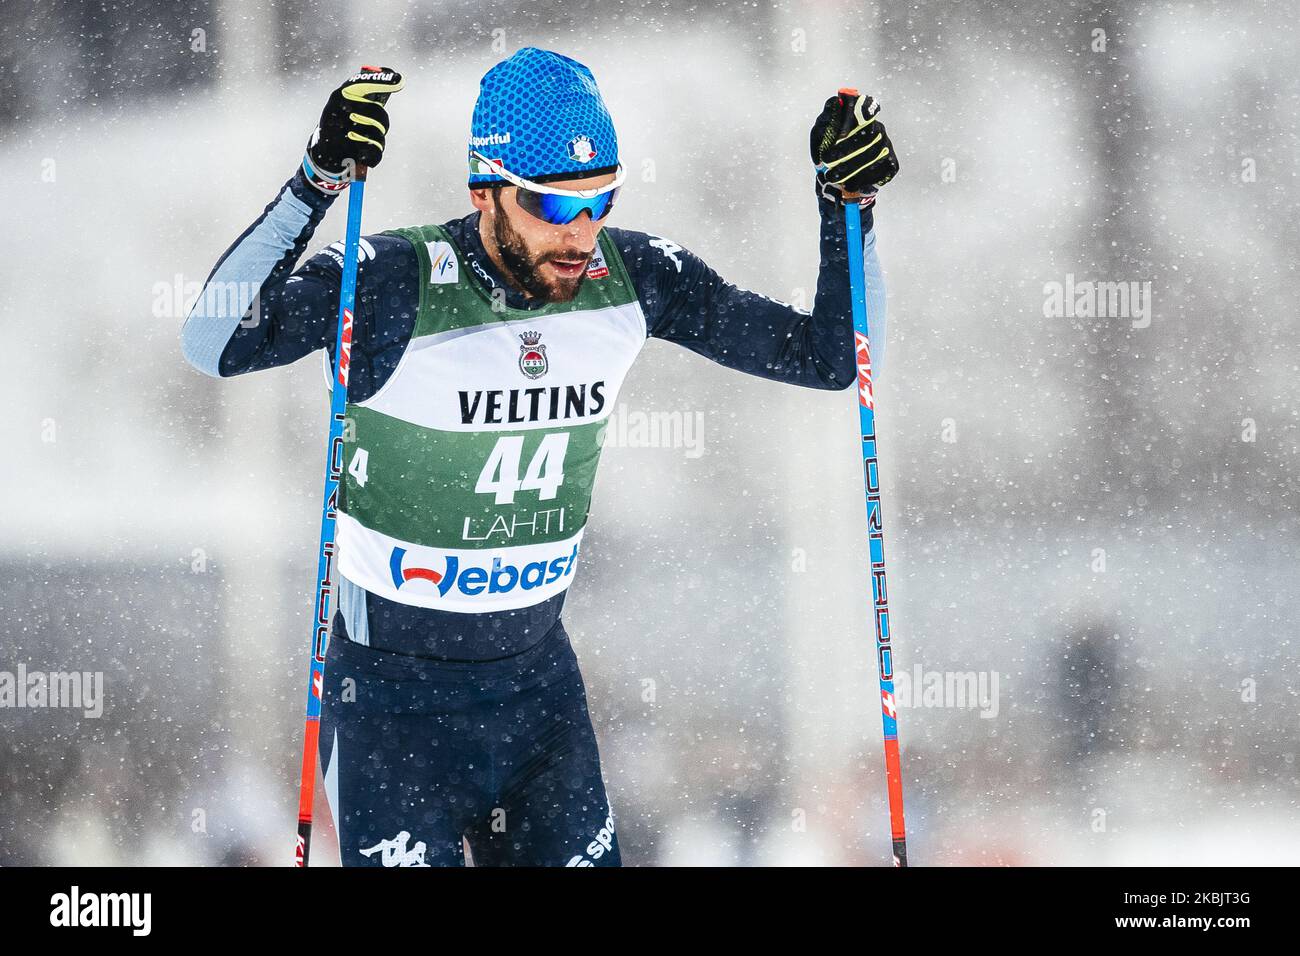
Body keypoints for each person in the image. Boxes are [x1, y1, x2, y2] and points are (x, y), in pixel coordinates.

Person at [181, 48, 899, 867]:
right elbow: (214, 342)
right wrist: (315, 182)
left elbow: (832, 355)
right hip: (391, 704)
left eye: (600, 201)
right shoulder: (394, 281)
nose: (579, 232)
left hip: (537, 697)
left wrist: (849, 207)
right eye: (553, 203)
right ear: (486, 189)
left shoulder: (634, 277)